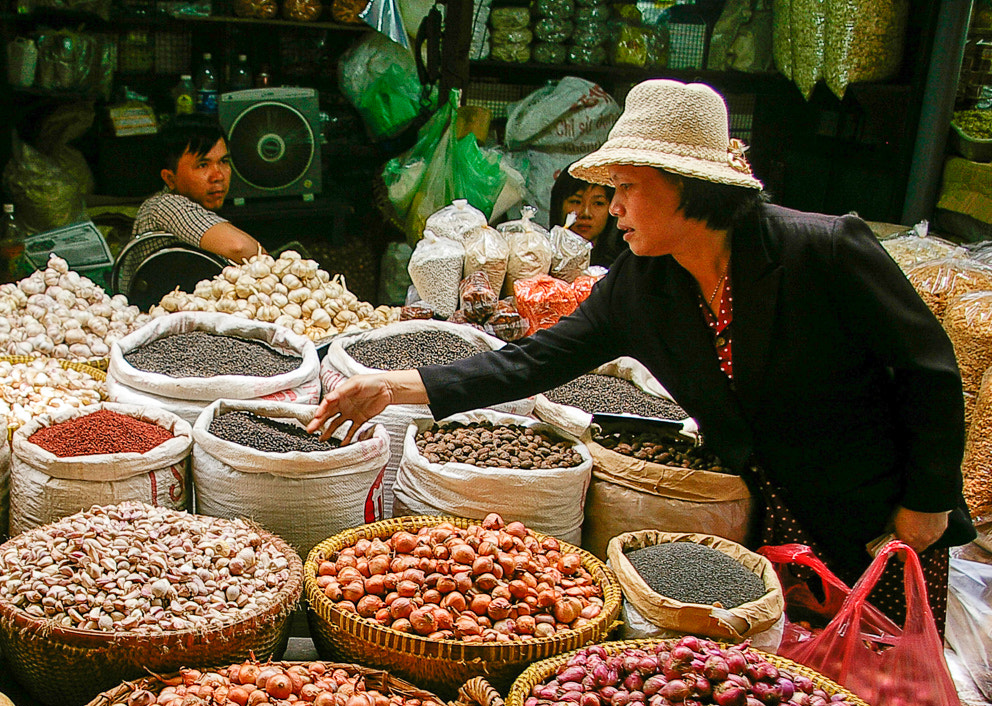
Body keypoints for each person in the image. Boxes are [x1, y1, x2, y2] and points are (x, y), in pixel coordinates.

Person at [307, 78, 974, 629]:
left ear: (686, 183)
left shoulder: (821, 251)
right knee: (794, 684)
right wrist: (392, 388)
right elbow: (529, 362)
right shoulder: (644, 284)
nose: (614, 207)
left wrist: (928, 500)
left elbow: (928, 369)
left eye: (627, 188)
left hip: (878, 516)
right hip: (769, 510)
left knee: (887, 691)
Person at [132, 115, 262, 264]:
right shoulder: (164, 206)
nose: (218, 176)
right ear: (170, 178)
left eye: (224, 161)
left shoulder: (200, 209)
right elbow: (239, 247)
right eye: (202, 165)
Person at [549, 167, 624, 268]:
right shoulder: (540, 261)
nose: (586, 214)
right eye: (576, 202)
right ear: (558, 206)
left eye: (598, 203)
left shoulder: (621, 267)